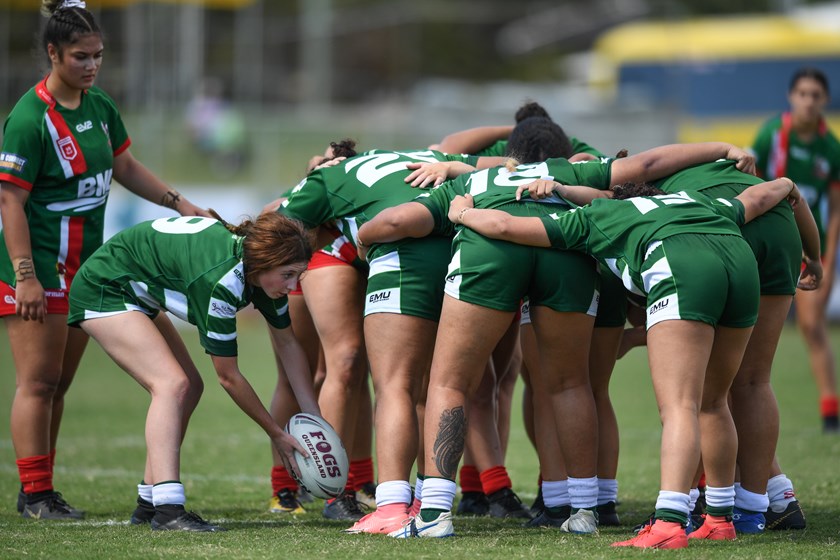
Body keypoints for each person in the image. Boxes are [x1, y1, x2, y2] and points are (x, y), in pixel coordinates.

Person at [357, 141, 759, 539]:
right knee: (571, 383)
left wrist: (365, 237)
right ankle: (583, 508)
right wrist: (719, 147)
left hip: (491, 247)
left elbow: (400, 221)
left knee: (450, 382)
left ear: (509, 156)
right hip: (565, 257)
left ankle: (434, 512)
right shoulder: (570, 173)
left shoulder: (479, 179)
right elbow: (648, 162)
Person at [446, 175, 812, 549]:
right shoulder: (691, 201)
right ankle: (720, 517)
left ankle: (669, 521)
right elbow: (762, 194)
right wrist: (788, 186)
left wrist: (463, 213)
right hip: (741, 265)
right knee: (713, 402)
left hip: (681, 265)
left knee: (680, 406)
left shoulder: (601, 215)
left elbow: (506, 225)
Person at [0, 0, 208, 520]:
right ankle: (35, 495)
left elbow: (125, 166)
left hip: (87, 272)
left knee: (60, 383)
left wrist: (180, 204)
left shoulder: (99, 106)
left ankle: (41, 490)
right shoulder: (30, 118)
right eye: (80, 57)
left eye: (97, 56)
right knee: (39, 381)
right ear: (53, 53)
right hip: (40, 268)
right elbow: (10, 202)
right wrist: (25, 275)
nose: (91, 65)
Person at [66, 212, 320, 531]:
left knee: (189, 387)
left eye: (298, 275)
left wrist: (315, 420)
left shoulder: (259, 273)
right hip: (105, 287)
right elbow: (229, 377)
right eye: (288, 274)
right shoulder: (222, 281)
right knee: (172, 384)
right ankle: (168, 509)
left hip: (135, 289)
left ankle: (148, 502)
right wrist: (276, 433)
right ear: (264, 262)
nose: (292, 285)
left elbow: (288, 345)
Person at [751, 67, 840, 434]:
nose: (808, 101)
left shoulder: (830, 147)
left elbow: (835, 211)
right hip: (770, 246)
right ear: (791, 97)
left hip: (809, 250)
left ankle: (830, 411)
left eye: (815, 95)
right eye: (802, 93)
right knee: (751, 329)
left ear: (825, 100)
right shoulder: (773, 134)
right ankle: (742, 399)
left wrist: (828, 262)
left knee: (811, 326)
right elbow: (750, 179)